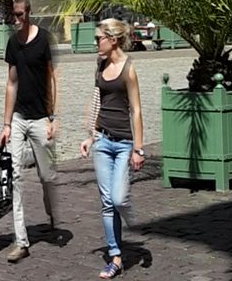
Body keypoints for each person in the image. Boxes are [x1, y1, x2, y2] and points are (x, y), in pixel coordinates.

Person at [78, 18, 145, 278]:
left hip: (124, 142)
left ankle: (130, 217)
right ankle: (115, 257)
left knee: (118, 199)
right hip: (103, 142)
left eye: (98, 39)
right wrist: (90, 136)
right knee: (107, 203)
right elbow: (98, 99)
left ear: (113, 39)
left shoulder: (128, 69)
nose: (96, 43)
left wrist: (138, 149)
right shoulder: (100, 64)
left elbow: (137, 111)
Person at [0, 0, 59, 262]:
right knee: (17, 177)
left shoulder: (44, 39)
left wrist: (53, 117)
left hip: (41, 117)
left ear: (29, 13)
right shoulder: (13, 43)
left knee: (47, 176)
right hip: (20, 118)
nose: (17, 19)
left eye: (20, 14)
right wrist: (7, 124)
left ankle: (51, 209)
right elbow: (11, 82)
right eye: (14, 15)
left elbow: (52, 78)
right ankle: (21, 241)